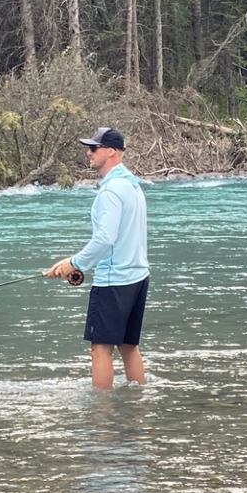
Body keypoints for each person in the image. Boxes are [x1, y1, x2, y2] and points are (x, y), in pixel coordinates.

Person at [46, 126, 149, 389]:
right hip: (137, 277)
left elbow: (105, 238)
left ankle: (102, 412)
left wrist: (74, 263)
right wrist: (77, 263)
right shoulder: (133, 186)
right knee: (129, 346)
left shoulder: (111, 191)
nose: (88, 153)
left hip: (114, 281)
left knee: (100, 348)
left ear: (111, 151)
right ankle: (138, 403)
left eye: (93, 148)